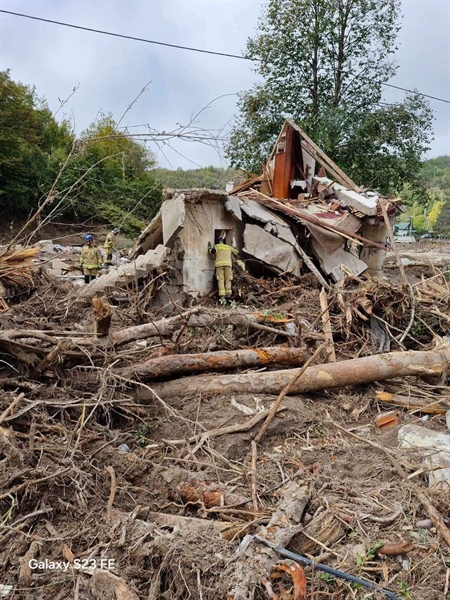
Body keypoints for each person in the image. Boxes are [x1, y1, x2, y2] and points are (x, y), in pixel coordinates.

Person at [208, 235, 239, 300]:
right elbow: (237, 253)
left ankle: (222, 296)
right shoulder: (228, 247)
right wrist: (235, 247)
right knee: (228, 279)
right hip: (228, 265)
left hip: (219, 265)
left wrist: (209, 246)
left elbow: (212, 252)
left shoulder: (216, 246)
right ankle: (228, 295)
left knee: (220, 279)